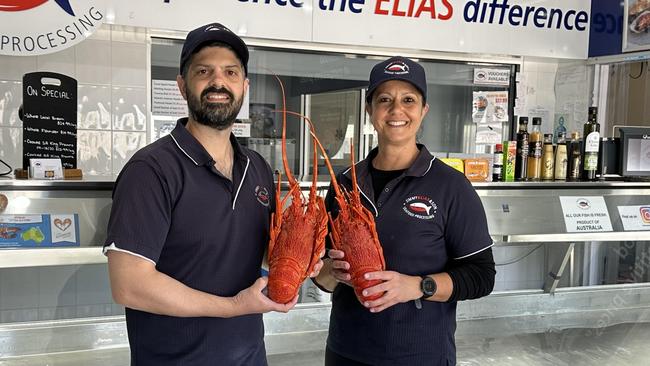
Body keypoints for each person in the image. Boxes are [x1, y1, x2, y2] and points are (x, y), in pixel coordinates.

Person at [104, 23, 320, 365]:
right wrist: (234, 307)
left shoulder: (258, 168)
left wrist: (301, 258)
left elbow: (258, 254)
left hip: (250, 356)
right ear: (181, 85)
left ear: (244, 86)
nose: (218, 82)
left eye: (230, 72)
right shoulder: (152, 169)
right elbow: (129, 285)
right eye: (204, 71)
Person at [314, 56, 496, 365]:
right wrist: (331, 273)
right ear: (370, 110)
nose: (396, 110)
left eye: (408, 100)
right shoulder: (343, 183)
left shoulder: (451, 186)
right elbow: (322, 275)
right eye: (384, 99)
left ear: (424, 110)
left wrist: (417, 286)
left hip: (420, 354)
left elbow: (481, 276)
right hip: (346, 351)